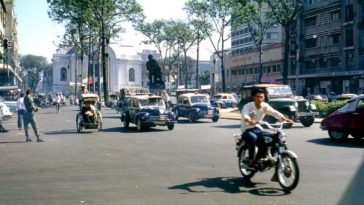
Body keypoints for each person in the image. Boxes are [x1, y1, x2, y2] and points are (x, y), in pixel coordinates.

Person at [241, 87, 293, 174]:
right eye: (258, 96)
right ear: (253, 97)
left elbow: (274, 112)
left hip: (258, 128)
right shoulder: (248, 106)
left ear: (264, 97)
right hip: (247, 129)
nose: (260, 98)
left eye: (262, 97)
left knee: (273, 138)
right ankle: (250, 160)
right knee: (253, 138)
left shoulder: (265, 106)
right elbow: (244, 114)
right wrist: (249, 120)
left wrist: (284, 119)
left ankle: (265, 157)